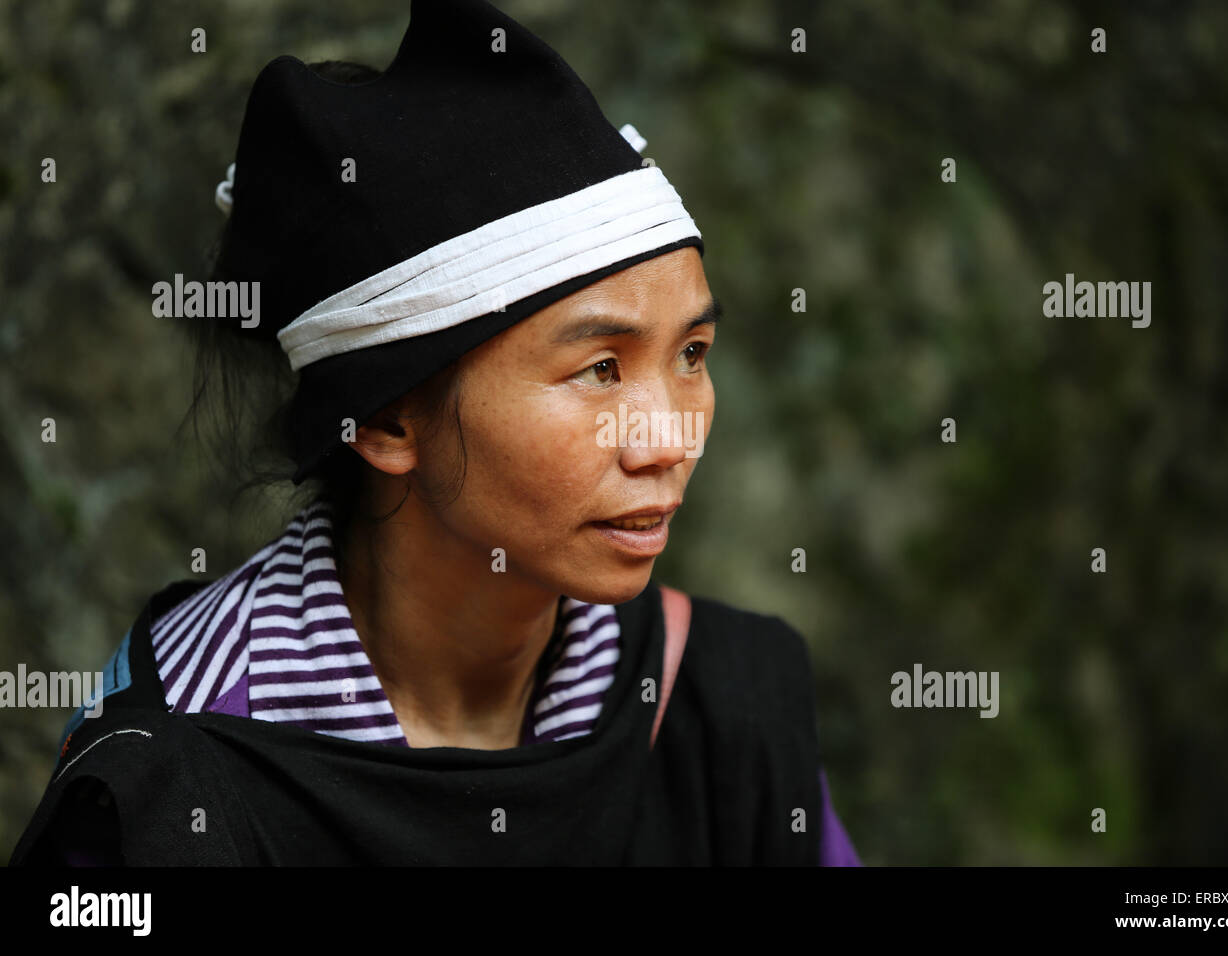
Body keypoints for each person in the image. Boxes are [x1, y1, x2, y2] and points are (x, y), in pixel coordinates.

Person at [11, 0, 861, 866]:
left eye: (691, 352)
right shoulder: (182, 784)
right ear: (385, 419)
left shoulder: (719, 706)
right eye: (598, 369)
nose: (671, 439)